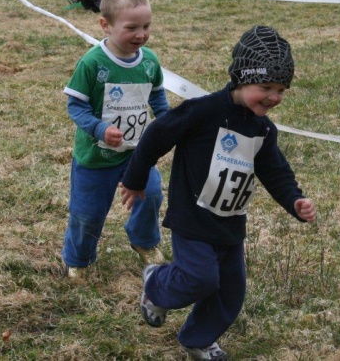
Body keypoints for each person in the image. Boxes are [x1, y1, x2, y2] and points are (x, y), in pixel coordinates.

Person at [120, 26, 317, 360]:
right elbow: (156, 135)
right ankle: (156, 284)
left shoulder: (263, 129)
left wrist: (294, 200)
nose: (273, 97)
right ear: (241, 79)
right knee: (199, 278)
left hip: (230, 222)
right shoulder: (202, 111)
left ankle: (197, 339)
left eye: (281, 90)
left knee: (230, 292)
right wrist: (135, 179)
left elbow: (275, 170)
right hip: (192, 217)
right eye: (265, 87)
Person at [62, 0, 169, 278]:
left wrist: (168, 122)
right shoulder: (92, 63)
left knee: (151, 194)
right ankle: (78, 260)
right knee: (88, 214)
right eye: (131, 27)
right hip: (95, 159)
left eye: (146, 26)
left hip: (136, 153)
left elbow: (157, 97)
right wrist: (99, 128)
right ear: (105, 25)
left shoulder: (150, 62)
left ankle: (143, 240)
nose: (141, 34)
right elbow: (76, 107)